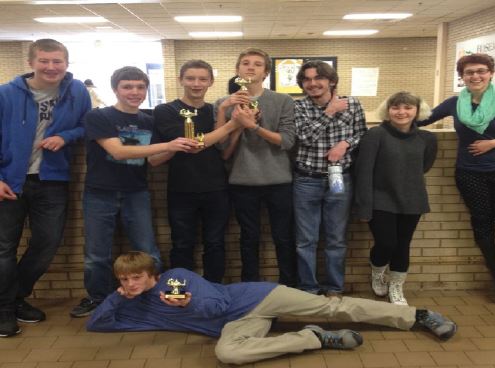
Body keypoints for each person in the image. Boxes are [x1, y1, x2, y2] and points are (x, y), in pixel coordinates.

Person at [87, 251, 457, 365]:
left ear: (151, 274)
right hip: (236, 325)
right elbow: (97, 326)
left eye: (135, 278)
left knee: (332, 307)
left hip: (255, 298)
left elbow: (213, 303)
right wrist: (118, 298)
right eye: (124, 281)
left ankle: (417, 316)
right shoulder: (132, 304)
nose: (130, 284)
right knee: (228, 353)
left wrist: (184, 301)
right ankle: (312, 339)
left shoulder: (174, 279)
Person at [70, 66, 205, 318]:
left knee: (147, 250)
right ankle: (98, 298)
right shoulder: (99, 117)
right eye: (127, 87)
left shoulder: (148, 121)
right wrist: (169, 143)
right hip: (100, 192)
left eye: (140, 87)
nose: (135, 92)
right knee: (96, 254)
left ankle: (154, 297)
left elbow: (152, 160)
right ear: (115, 89)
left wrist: (180, 148)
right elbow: (118, 151)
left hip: (136, 192)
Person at [0, 39, 91, 337]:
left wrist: (66, 136)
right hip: (9, 182)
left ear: (67, 63)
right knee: (4, 249)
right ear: (31, 62)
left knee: (46, 245)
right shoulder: (6, 94)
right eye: (44, 61)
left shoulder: (76, 91)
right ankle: (3, 310)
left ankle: (15, 298)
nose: (51, 67)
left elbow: (86, 126)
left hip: (52, 181)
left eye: (57, 61)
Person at [418, 53, 495, 287]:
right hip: (469, 172)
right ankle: (494, 265)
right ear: (462, 77)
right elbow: (421, 121)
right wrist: (395, 114)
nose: (475, 76)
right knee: (481, 219)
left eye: (481, 71)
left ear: (491, 73)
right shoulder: (454, 103)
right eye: (469, 72)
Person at [151, 60, 240, 282]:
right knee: (182, 244)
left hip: (217, 189)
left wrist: (236, 127)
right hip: (181, 190)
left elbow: (224, 150)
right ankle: (180, 294)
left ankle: (212, 292)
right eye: (190, 78)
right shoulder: (165, 110)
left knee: (216, 243)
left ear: (211, 81)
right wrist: (231, 125)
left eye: (202, 79)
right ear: (181, 80)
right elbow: (191, 144)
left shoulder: (214, 111)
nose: (196, 84)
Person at [214, 48, 297, 286]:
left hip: (278, 181)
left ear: (266, 72)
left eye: (258, 64)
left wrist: (253, 127)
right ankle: (249, 287)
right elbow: (221, 147)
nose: (251, 67)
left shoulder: (282, 101)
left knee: (283, 238)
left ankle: (289, 287)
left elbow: (287, 141)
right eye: (245, 63)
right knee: (248, 238)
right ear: (237, 70)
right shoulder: (223, 103)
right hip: (242, 182)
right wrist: (229, 116)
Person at [354, 92, 437, 305]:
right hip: (380, 199)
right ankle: (377, 270)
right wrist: (363, 207)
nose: (401, 112)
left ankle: (396, 287)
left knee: (403, 245)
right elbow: (363, 171)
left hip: (413, 200)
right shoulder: (376, 135)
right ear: (388, 110)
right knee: (386, 243)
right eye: (396, 107)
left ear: (417, 111)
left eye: (408, 107)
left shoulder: (427, 138)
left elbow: (424, 166)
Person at [293, 60, 367, 296]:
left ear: (331, 80)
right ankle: (309, 289)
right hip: (307, 180)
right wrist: (330, 111)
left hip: (339, 180)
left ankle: (335, 288)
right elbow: (305, 137)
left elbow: (362, 134)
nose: (312, 84)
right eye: (306, 79)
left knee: (336, 239)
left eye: (318, 78)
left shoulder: (353, 103)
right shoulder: (299, 107)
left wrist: (346, 144)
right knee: (306, 240)